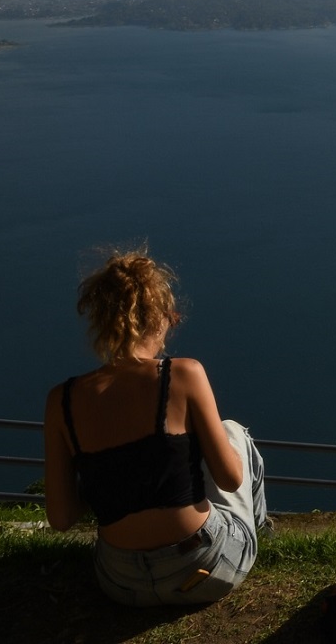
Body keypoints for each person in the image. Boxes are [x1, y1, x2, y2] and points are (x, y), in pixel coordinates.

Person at [42, 249, 268, 606]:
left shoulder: (61, 401)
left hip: (121, 582)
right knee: (231, 431)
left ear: (101, 319)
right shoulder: (183, 373)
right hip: (205, 568)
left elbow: (61, 516)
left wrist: (114, 475)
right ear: (160, 317)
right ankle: (260, 532)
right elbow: (229, 479)